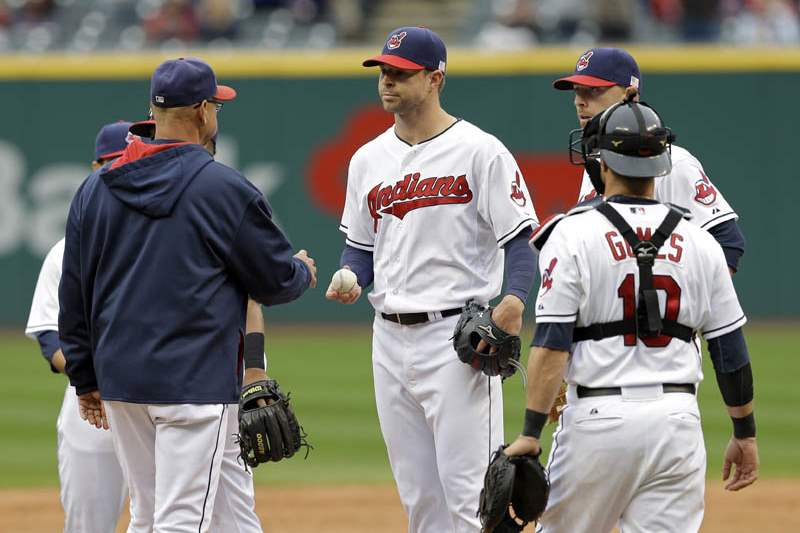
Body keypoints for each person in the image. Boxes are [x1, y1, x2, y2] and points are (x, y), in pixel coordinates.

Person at [58, 57, 317, 532]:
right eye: (215, 105)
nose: (216, 113)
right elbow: (273, 282)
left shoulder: (95, 188)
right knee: (181, 520)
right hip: (193, 382)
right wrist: (301, 269)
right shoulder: (223, 187)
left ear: (152, 111)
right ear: (202, 111)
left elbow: (74, 291)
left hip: (122, 381)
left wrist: (84, 375)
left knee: (146, 514)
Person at [504, 101, 759, 532]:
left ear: (601, 163)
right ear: (660, 165)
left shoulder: (571, 233)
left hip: (598, 422)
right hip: (678, 424)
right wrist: (745, 433)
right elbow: (730, 350)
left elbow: (551, 344)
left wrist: (530, 433)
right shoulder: (702, 244)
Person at [326, 27, 539, 532]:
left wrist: (513, 300)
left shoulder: (479, 151)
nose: (387, 82)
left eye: (400, 74)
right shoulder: (367, 159)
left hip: (458, 341)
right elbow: (360, 248)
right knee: (420, 500)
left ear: (436, 77)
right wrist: (350, 276)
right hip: (388, 339)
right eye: (383, 72)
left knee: (475, 498)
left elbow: (520, 242)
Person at [25, 121, 132, 533]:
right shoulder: (65, 250)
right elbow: (50, 338)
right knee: (89, 523)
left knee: (167, 516)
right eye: (111, 163)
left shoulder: (164, 238)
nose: (119, 170)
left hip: (159, 397)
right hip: (92, 406)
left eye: (128, 160)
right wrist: (91, 373)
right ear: (94, 168)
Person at [554, 47, 745, 273]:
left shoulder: (671, 162)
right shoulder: (597, 162)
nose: (579, 101)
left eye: (593, 90)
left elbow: (727, 243)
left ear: (630, 94)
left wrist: (684, 303)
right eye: (577, 91)